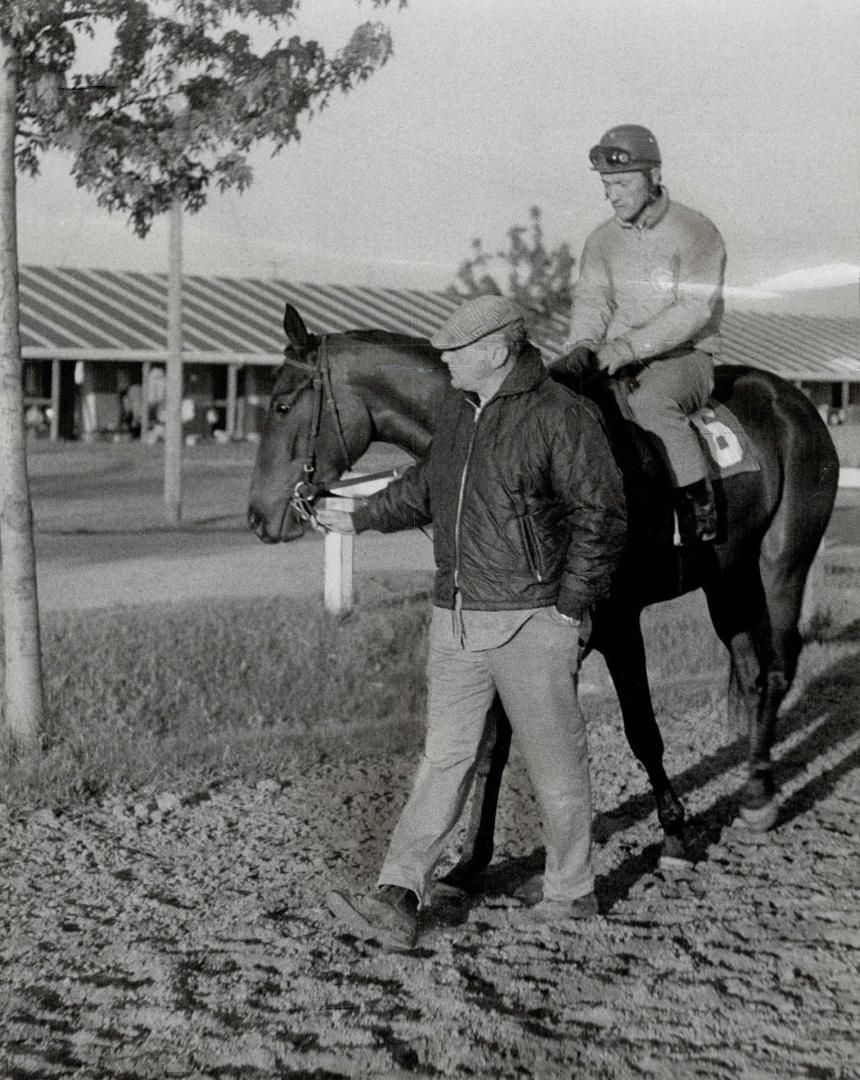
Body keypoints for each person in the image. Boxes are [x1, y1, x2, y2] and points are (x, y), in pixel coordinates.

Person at [315, 295, 626, 949]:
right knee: (443, 759)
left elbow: (602, 514)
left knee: (554, 764)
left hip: (530, 620)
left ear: (495, 350)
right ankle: (398, 893)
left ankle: (573, 893)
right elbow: (427, 484)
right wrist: (356, 515)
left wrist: (568, 609)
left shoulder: (561, 415)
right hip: (454, 619)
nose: (445, 360)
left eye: (454, 350)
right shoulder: (459, 410)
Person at [555, 124, 727, 544]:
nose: (612, 195)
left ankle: (699, 513)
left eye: (622, 183)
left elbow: (694, 308)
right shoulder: (601, 240)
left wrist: (629, 347)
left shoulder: (696, 231)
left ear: (653, 176)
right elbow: (593, 301)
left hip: (683, 359)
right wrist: (581, 346)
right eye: (606, 184)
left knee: (651, 404)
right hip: (613, 356)